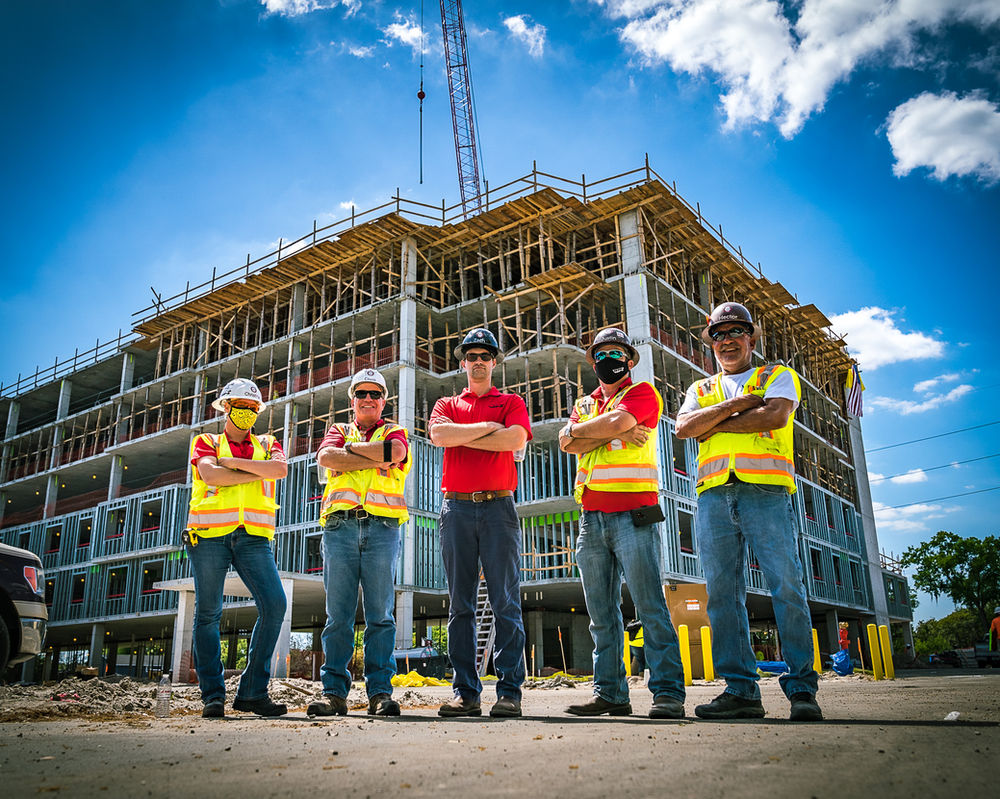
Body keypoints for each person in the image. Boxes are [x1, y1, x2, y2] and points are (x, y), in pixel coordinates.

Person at [676, 302, 822, 722]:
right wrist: (736, 408)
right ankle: (740, 691)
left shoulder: (775, 376)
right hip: (713, 497)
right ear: (710, 343)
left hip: (766, 492)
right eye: (718, 335)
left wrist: (711, 423)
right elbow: (684, 428)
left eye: (735, 332)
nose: (726, 340)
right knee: (722, 596)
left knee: (786, 587)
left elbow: (775, 415)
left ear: (751, 338)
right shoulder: (700, 390)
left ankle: (802, 691)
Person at [559, 327, 686, 719]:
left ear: (630, 360)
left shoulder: (643, 393)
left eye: (616, 353)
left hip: (635, 515)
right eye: (601, 353)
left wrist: (601, 429)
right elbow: (567, 442)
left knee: (650, 606)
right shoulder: (585, 404)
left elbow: (600, 430)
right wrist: (607, 428)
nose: (608, 360)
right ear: (592, 361)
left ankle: (668, 694)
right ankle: (611, 693)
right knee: (601, 615)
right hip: (591, 519)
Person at [429, 328, 531, 718]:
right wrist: (491, 428)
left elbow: (515, 441)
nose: (477, 361)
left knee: (505, 602)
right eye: (471, 355)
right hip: (454, 509)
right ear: (462, 362)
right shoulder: (446, 402)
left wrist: (464, 437)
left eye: (485, 356)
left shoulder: (510, 401)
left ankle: (509, 693)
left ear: (493, 362)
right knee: (460, 606)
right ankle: (466, 693)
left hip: (497, 509)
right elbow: (439, 435)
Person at [307, 368, 412, 717]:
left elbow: (394, 452)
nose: (368, 400)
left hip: (382, 529)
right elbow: (326, 458)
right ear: (352, 399)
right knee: (338, 616)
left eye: (375, 394)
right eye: (362, 394)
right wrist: (370, 453)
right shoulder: (337, 431)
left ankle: (380, 693)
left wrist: (349, 454)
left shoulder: (395, 431)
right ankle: (334, 693)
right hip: (340, 528)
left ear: (384, 400)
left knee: (380, 615)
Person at [185, 378, 288, 718]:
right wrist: (254, 472)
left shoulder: (269, 442)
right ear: (226, 407)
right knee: (208, 613)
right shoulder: (205, 440)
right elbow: (211, 476)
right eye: (239, 407)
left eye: (251, 408)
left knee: (275, 604)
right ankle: (213, 696)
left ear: (258, 411)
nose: (245, 413)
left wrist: (231, 465)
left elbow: (280, 469)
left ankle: (252, 693)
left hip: (253, 537)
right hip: (209, 536)